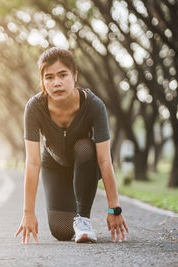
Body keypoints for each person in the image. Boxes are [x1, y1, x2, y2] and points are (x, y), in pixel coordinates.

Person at [14, 47, 129, 244]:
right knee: (62, 232)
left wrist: (114, 208)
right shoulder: (34, 108)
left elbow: (104, 159)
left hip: (86, 162)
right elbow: (32, 163)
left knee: (84, 146)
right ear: (42, 81)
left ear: (74, 75)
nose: (56, 82)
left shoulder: (94, 105)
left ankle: (83, 219)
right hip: (55, 164)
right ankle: (74, 215)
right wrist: (28, 213)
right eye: (49, 77)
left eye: (62, 75)